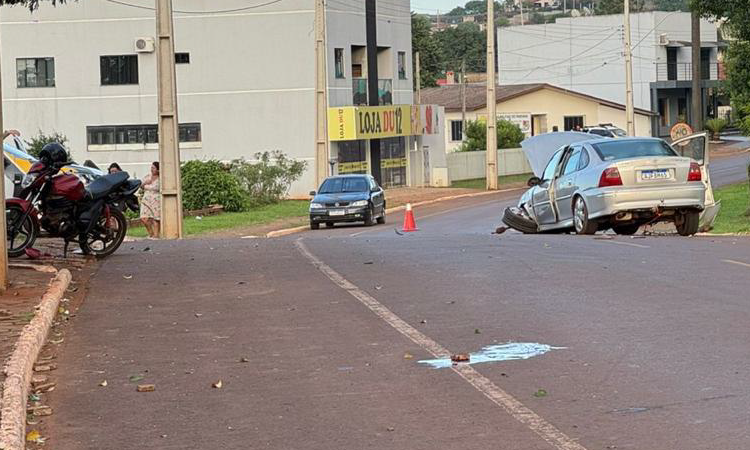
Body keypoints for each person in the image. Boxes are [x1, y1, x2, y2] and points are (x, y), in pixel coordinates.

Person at [140, 162, 161, 239]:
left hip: (156, 200)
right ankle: (151, 233)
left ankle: (156, 235)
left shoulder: (160, 178)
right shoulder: (147, 177)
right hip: (146, 199)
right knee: (143, 218)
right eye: (151, 168)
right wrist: (146, 182)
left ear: (158, 169)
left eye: (153, 168)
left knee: (155, 218)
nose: (152, 169)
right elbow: (141, 186)